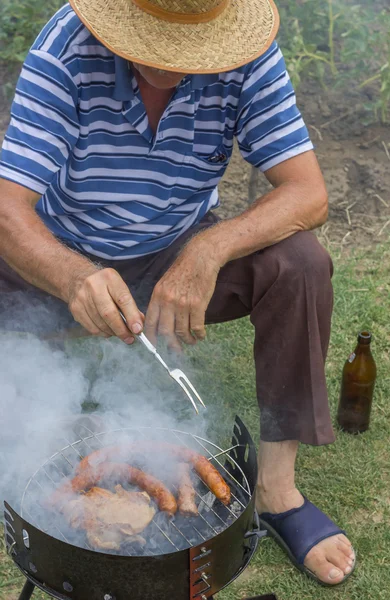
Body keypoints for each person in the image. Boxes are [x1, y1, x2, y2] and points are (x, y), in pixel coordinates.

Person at [0, 0, 355, 586]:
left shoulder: (247, 53)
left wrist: (207, 251)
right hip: (64, 254)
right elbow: (9, 209)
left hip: (175, 255)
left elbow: (307, 193)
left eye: (187, 49)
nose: (169, 64)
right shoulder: (65, 47)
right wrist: (71, 277)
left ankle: (276, 490)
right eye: (152, 43)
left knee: (300, 263)